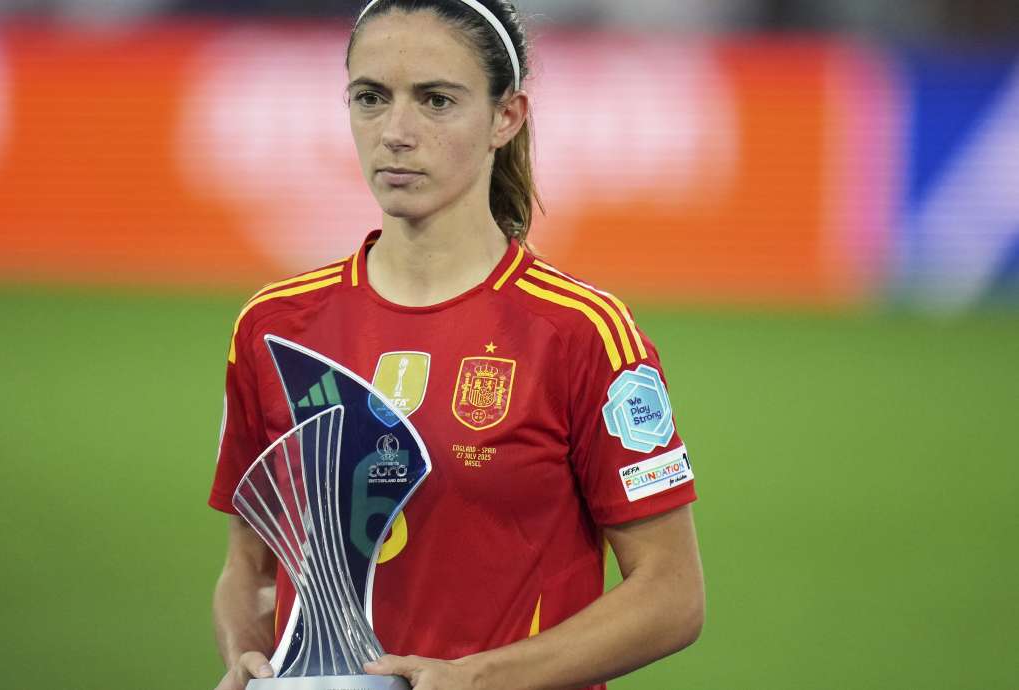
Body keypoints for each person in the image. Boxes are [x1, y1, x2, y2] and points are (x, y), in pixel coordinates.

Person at [209, 1, 705, 688]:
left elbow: (672, 596)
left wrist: (478, 678)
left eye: (436, 100)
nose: (396, 132)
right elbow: (251, 569)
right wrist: (245, 654)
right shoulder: (273, 329)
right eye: (371, 98)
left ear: (507, 117)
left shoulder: (583, 334)